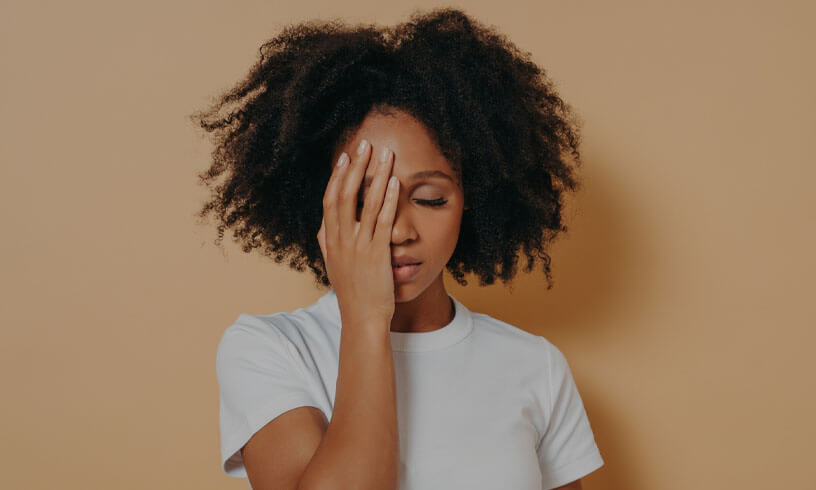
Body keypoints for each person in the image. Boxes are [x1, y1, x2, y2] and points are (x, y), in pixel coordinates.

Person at [191, 7, 604, 490]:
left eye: (430, 198)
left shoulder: (536, 366)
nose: (398, 230)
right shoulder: (270, 349)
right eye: (366, 199)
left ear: (474, 200)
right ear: (319, 201)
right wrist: (366, 318)